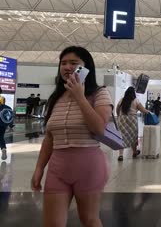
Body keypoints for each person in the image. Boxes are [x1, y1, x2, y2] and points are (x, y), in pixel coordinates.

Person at [30, 46, 113, 227]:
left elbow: (99, 128)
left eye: (74, 63)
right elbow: (49, 138)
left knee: (89, 220)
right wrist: (39, 168)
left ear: (85, 68)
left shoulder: (99, 93)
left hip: (89, 166)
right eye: (63, 63)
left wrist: (80, 97)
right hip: (58, 168)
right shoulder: (56, 98)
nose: (67, 67)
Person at [116, 87, 150, 162]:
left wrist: (119, 115)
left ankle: (120, 155)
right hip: (132, 120)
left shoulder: (122, 99)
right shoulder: (136, 101)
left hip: (122, 119)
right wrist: (149, 112)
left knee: (122, 136)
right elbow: (143, 110)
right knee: (133, 136)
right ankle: (134, 152)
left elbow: (117, 108)